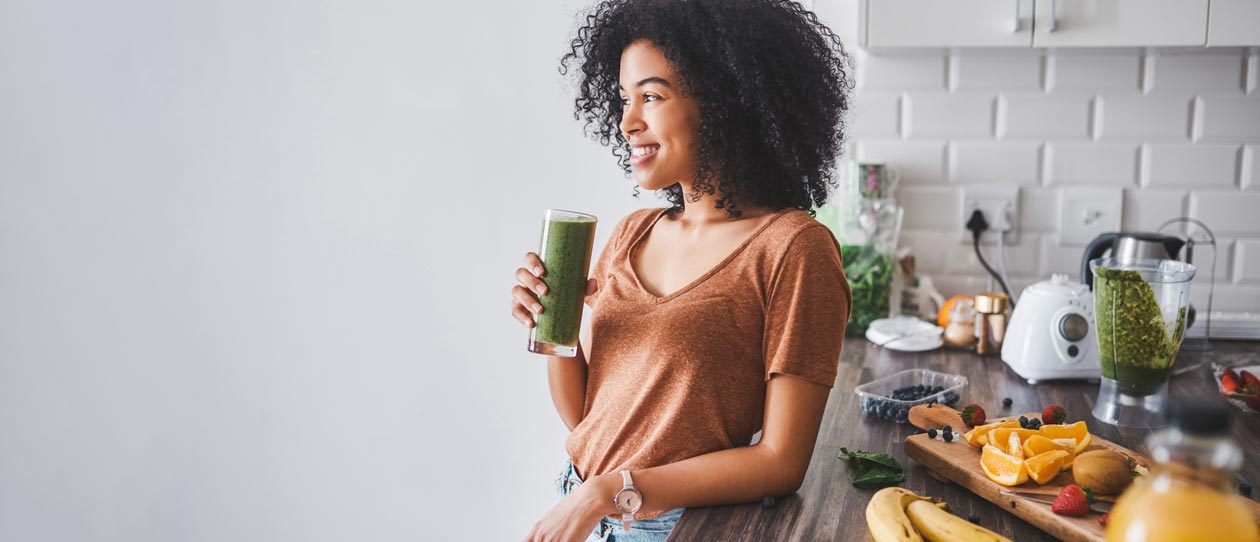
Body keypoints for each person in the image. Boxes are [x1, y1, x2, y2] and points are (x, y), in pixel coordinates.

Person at [510, 1, 853, 540]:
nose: (627, 122)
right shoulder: (630, 234)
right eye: (625, 100)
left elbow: (781, 462)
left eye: (651, 96)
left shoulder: (794, 250)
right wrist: (557, 328)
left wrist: (612, 492)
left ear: (725, 101)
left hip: (672, 526)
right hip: (574, 503)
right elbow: (587, 419)